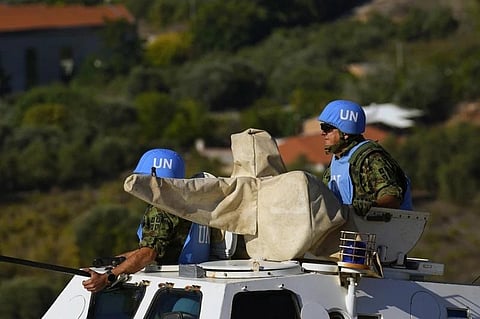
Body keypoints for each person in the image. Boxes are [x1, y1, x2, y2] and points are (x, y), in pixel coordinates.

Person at [82, 148, 190, 293]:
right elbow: (158, 247)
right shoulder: (185, 204)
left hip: (170, 286)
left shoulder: (160, 209)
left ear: (154, 178)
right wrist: (116, 261)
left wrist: (107, 278)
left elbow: (148, 254)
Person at [317, 99, 413, 216]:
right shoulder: (337, 160)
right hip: (350, 229)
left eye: (327, 128)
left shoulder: (371, 158)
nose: (323, 133)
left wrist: (370, 206)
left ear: (345, 133)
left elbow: (392, 198)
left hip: (380, 230)